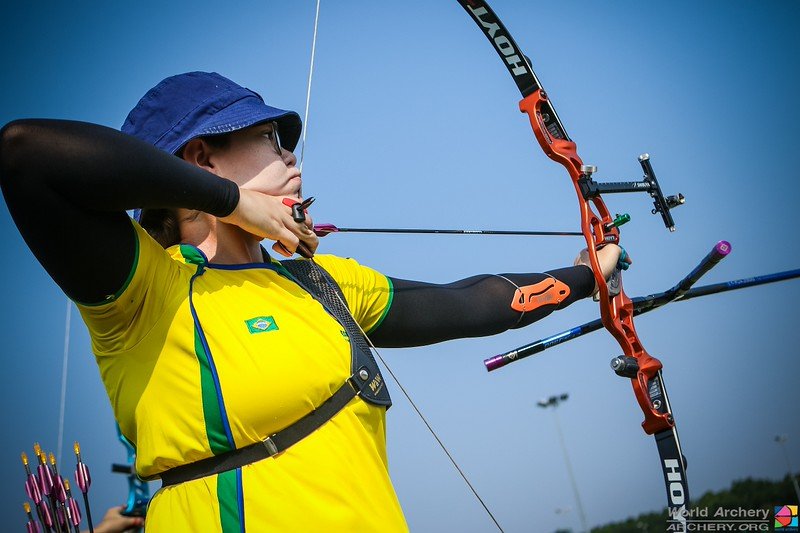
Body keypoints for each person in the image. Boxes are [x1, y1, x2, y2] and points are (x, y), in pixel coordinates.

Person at [0, 71, 628, 532]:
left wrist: (582, 276)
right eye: (270, 139)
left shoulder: (318, 283)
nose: (290, 155)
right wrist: (232, 201)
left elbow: (469, 302)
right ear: (199, 157)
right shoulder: (146, 290)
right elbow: (26, 152)